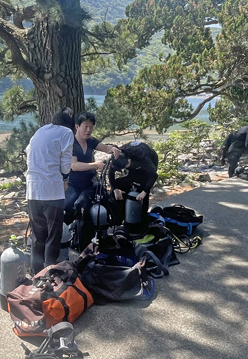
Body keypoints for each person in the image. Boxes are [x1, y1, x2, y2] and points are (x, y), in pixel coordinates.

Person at [25, 107, 75, 274]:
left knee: (38, 235)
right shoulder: (66, 132)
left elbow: (28, 152)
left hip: (32, 189)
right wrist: (66, 179)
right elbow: (66, 163)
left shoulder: (40, 130)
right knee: (54, 234)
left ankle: (35, 272)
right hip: (52, 189)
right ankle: (49, 272)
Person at [65, 112, 121, 248]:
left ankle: (99, 233)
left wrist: (113, 149)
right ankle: (68, 237)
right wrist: (95, 165)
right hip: (75, 184)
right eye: (85, 126)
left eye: (91, 127)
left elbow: (106, 148)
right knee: (67, 208)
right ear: (77, 127)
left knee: (107, 201)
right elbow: (74, 166)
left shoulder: (90, 141)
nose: (88, 130)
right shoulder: (71, 143)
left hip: (90, 182)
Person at [108, 139, 159, 237]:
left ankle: (141, 223)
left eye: (127, 165)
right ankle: (118, 218)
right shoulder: (117, 156)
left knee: (142, 187)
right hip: (131, 162)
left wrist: (144, 192)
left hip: (150, 162)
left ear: (129, 159)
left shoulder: (142, 156)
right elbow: (111, 174)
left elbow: (153, 175)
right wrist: (115, 189)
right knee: (121, 184)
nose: (127, 167)